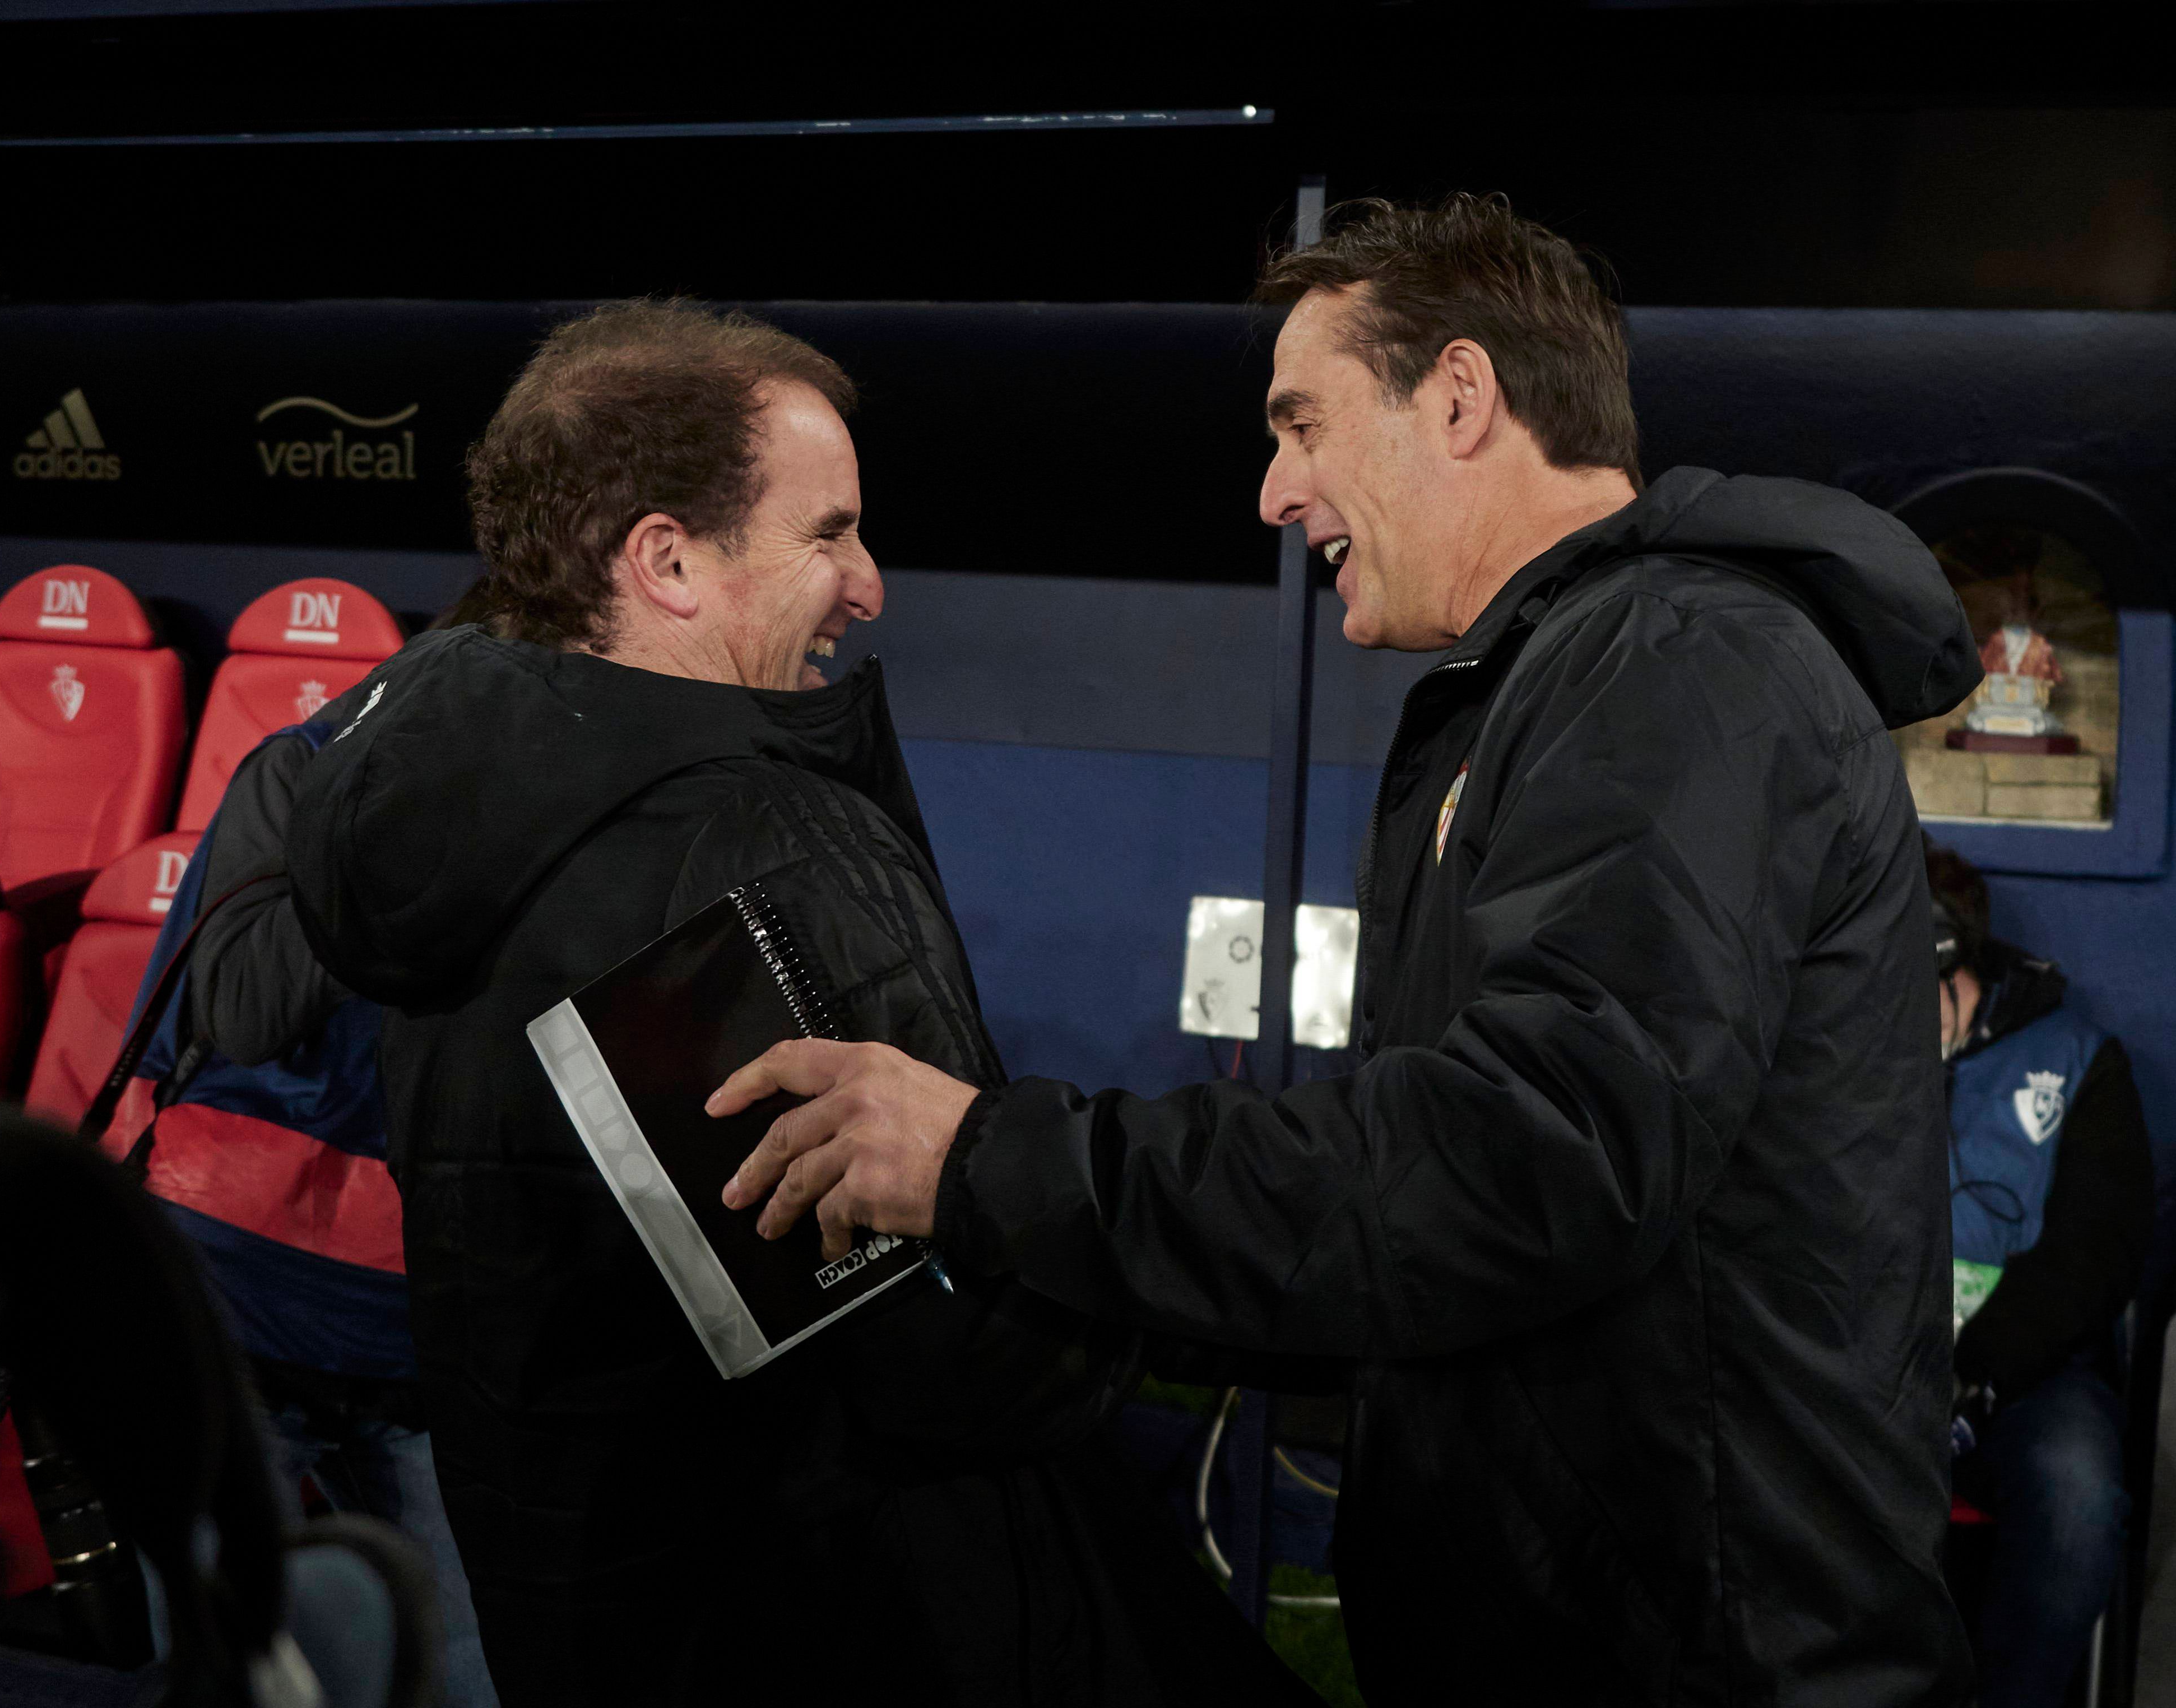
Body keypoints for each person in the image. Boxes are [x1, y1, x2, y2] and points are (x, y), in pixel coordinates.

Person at [717, 194, 1985, 1704]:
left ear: (1458, 397)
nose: (1272, 491)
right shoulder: (1552, 686)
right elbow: (1465, 1234)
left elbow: (1522, 1164)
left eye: (1301, 423)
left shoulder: (1676, 669)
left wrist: (988, 1163)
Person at [282, 301, 1316, 1708]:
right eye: (826, 533)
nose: (869, 582)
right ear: (667, 562)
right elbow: (951, 1364)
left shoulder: (454, 823)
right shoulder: (743, 844)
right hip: (852, 1629)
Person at [105, 581, 512, 1708]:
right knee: (214, 1660)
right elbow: (236, 1009)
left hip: (421, 1329)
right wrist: (393, 839)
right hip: (233, 1295)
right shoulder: (301, 772)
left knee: (463, 1664)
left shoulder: (558, 830)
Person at [1931, 841, 2151, 1708]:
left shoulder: (2078, 1060)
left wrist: (1973, 1370)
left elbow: (2095, 1255)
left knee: (2076, 1500)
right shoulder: (1836, 1059)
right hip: (1865, 1367)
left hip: (2020, 1379)